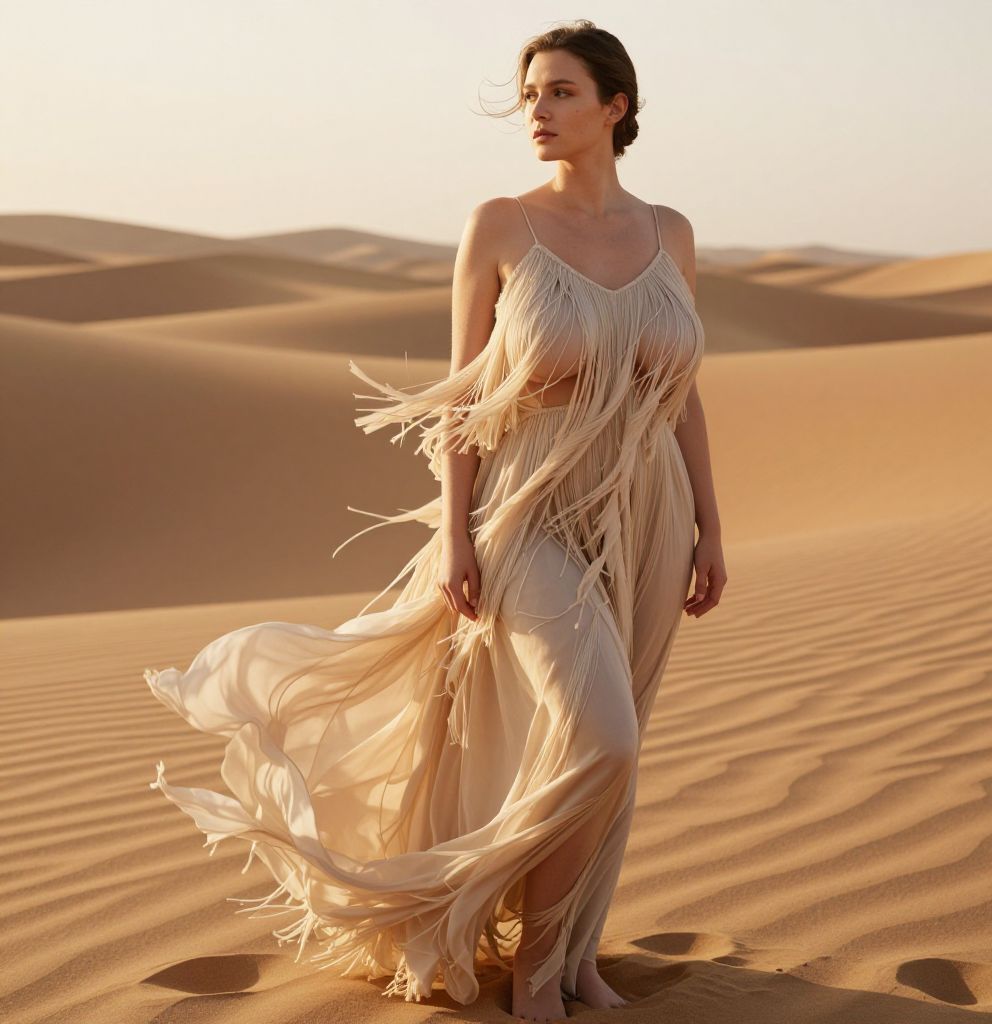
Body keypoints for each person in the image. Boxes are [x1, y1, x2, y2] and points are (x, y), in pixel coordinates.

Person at [144, 17, 726, 1024]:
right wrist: (456, 534)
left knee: (606, 750)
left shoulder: (668, 232)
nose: (534, 112)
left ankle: (577, 956)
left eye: (558, 93)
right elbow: (460, 398)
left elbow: (680, 390)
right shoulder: (501, 225)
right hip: (528, 508)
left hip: (645, 517)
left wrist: (711, 526)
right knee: (602, 738)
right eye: (529, 93)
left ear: (614, 109)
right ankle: (532, 984)